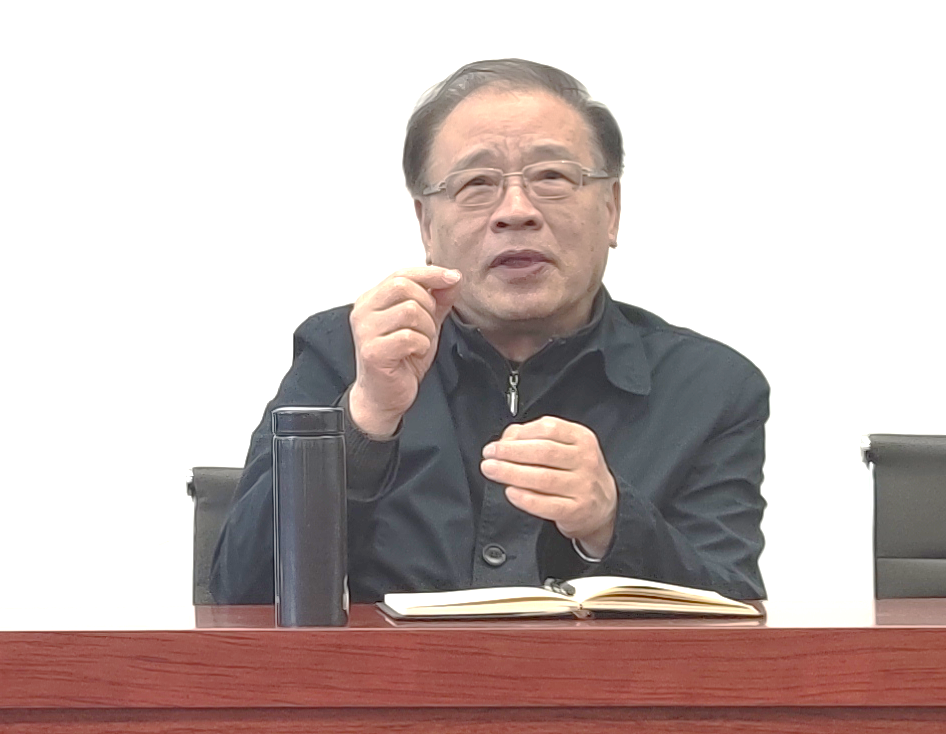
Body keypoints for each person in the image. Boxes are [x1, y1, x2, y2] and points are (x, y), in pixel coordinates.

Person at [211, 59, 769, 604]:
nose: (516, 211)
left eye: (552, 177)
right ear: (426, 224)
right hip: (394, 672)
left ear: (612, 209)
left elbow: (739, 620)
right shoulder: (346, 353)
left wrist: (613, 522)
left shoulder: (709, 387)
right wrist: (364, 422)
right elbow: (239, 596)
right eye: (476, 183)